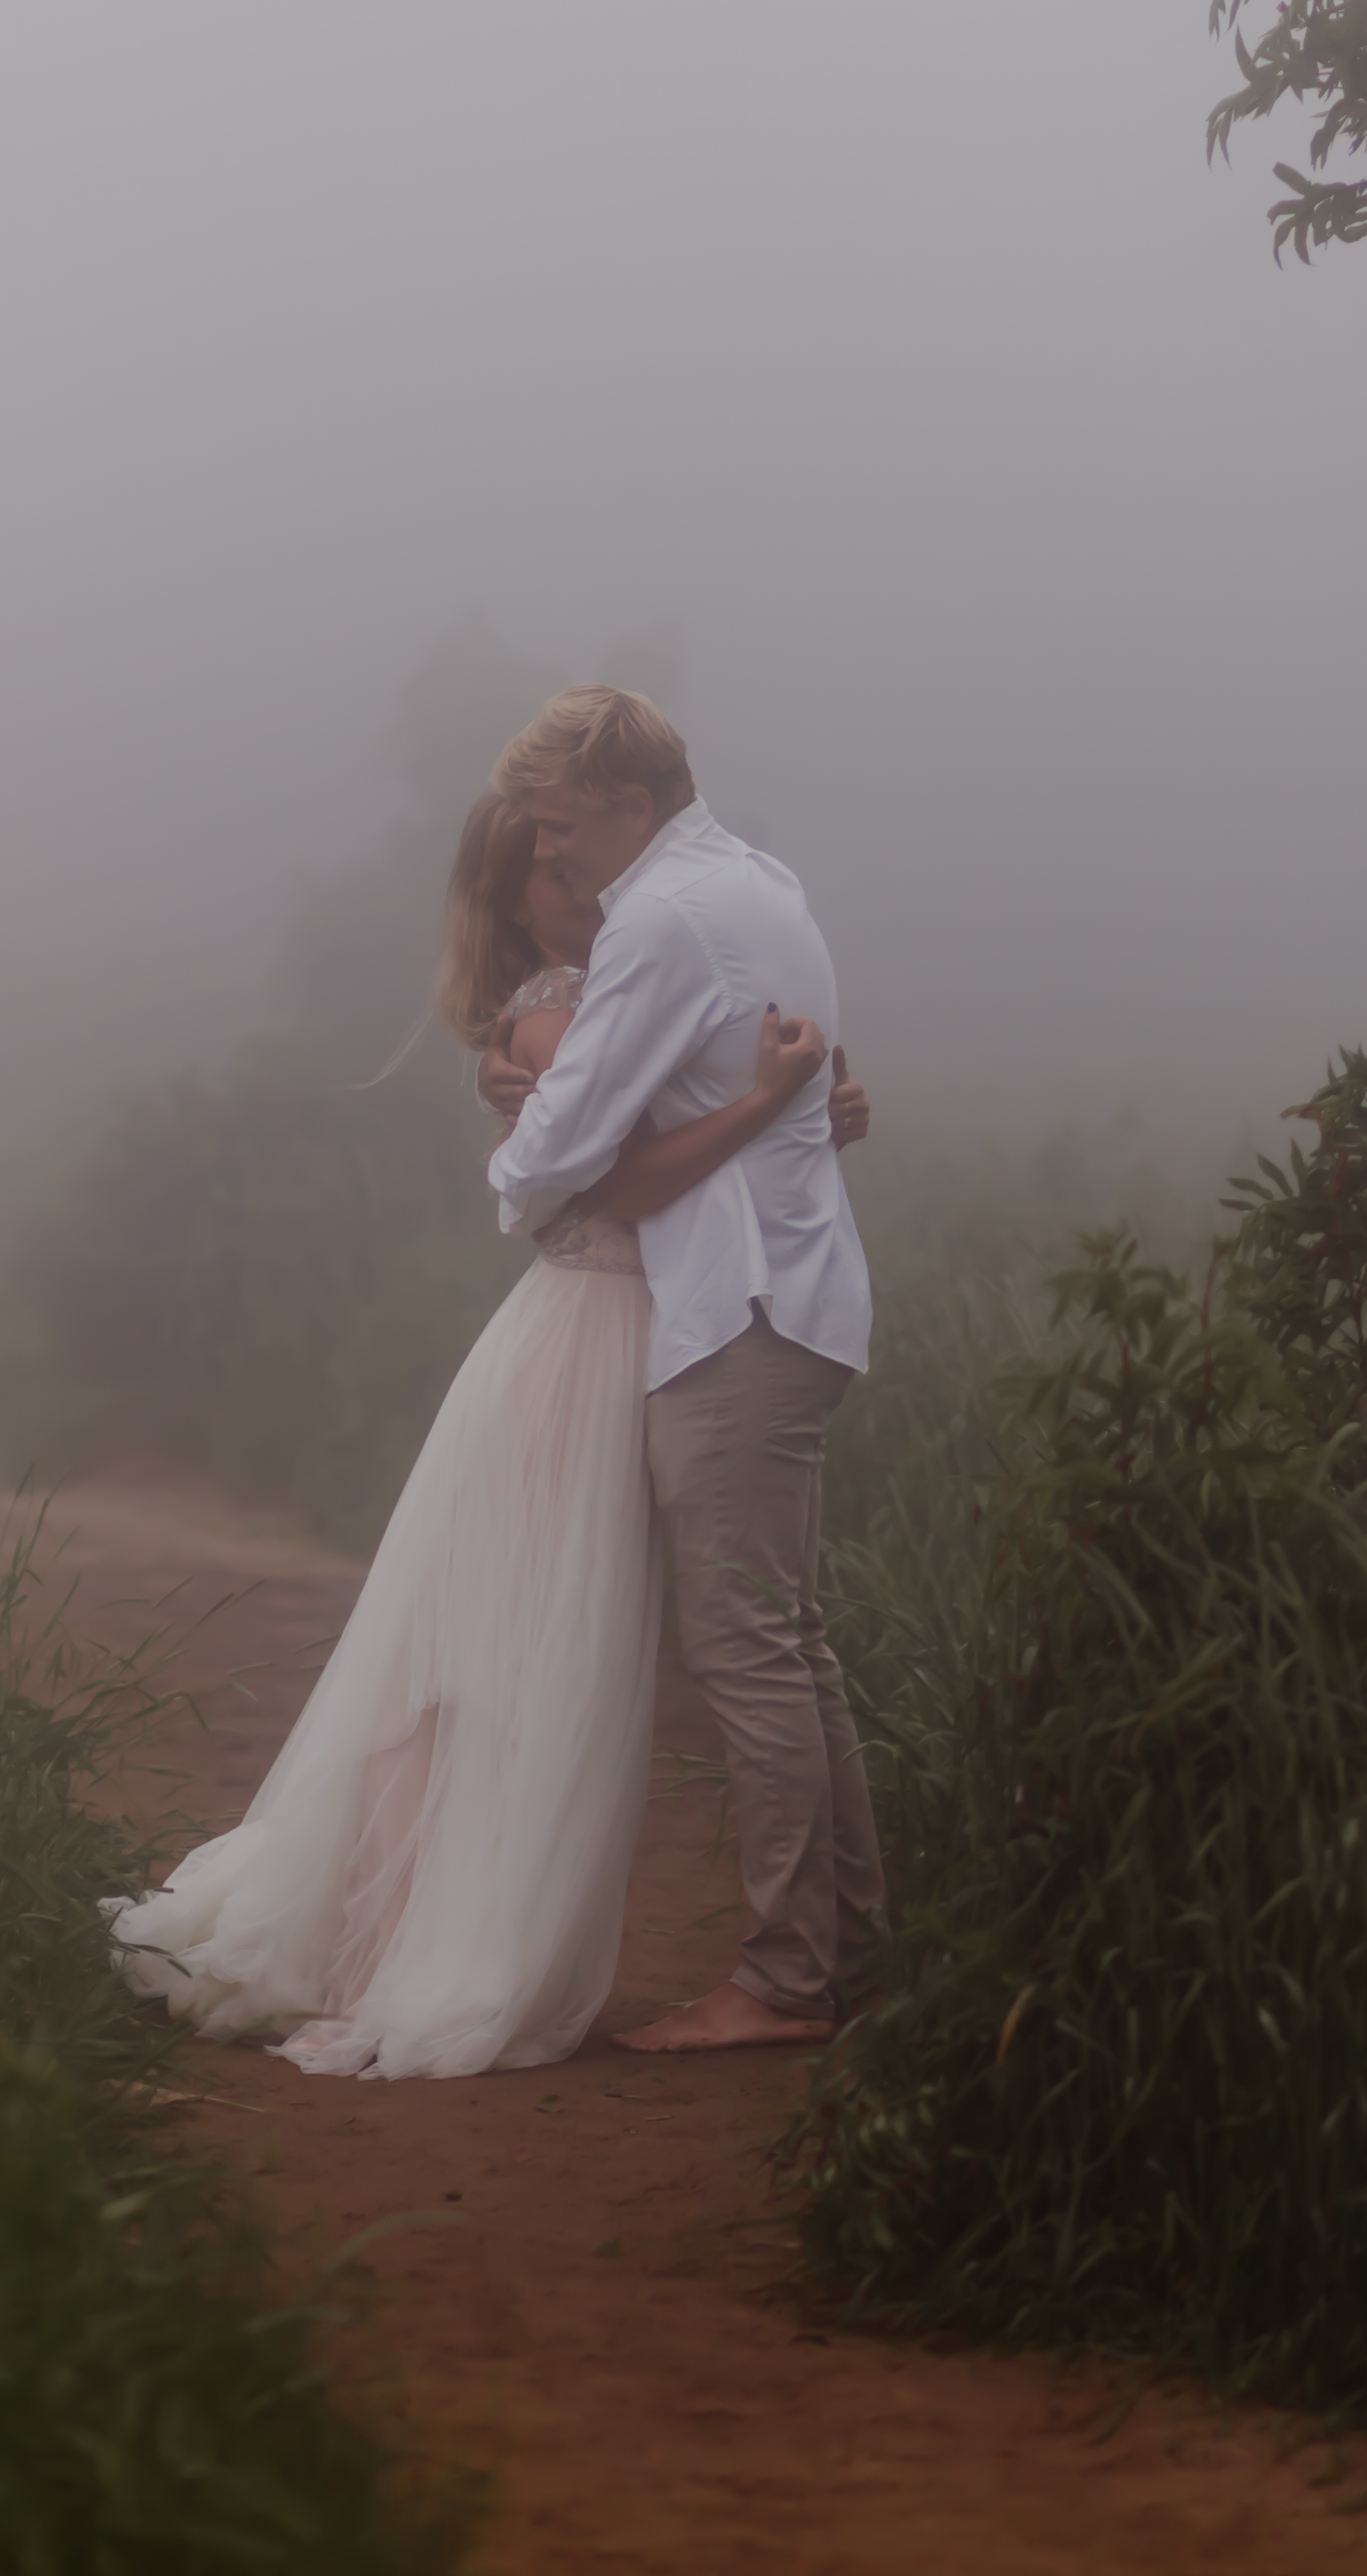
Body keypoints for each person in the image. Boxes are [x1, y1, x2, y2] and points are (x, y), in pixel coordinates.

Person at [103, 792, 859, 2078]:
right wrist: (775, 1101)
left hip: (609, 1336)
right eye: (544, 872)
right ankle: (406, 1940)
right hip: (589, 1341)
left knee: (509, 1650)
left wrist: (807, 1103)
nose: (572, 876)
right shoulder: (571, 1000)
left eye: (566, 854)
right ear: (521, 902)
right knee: (496, 1658)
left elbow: (672, 1126)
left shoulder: (616, 983)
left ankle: (413, 1931)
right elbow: (619, 1179)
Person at [481, 685, 879, 2054]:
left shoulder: (659, 917)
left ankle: (784, 1979)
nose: (559, 854)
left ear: (633, 804)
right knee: (793, 1646)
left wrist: (516, 1157)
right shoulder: (760, 880)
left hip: (739, 1310)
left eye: (566, 825)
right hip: (798, 1293)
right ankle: (847, 1948)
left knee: (749, 1654)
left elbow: (561, 1148)